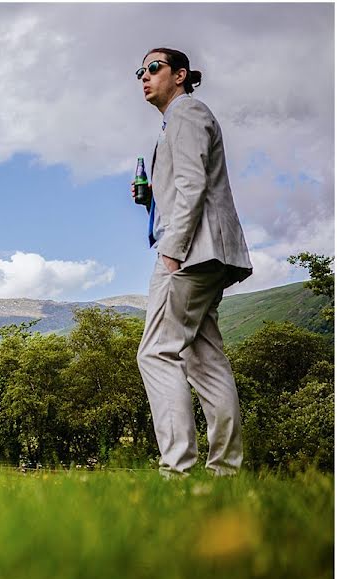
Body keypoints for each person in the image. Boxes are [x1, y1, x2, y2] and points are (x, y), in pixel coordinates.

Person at [132, 48, 253, 477]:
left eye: (153, 68)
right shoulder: (178, 121)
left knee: (156, 353)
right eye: (139, 72)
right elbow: (183, 183)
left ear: (180, 75)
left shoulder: (186, 113)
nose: (143, 77)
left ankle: (176, 472)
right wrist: (150, 198)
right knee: (205, 359)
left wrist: (172, 249)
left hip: (188, 254)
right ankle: (226, 473)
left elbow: (192, 184)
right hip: (211, 255)